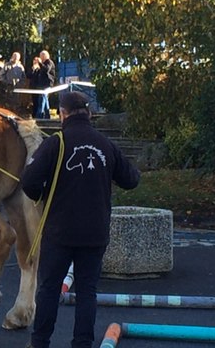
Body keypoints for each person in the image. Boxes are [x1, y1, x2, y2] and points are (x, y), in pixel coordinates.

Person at [21, 91, 140, 348]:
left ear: (62, 114)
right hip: (95, 233)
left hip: (59, 231)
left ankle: (40, 342)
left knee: (49, 289)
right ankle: (82, 343)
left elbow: (28, 180)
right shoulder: (105, 144)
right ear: (89, 113)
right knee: (87, 292)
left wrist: (40, 196)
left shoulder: (55, 143)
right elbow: (132, 179)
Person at [28, 50, 56, 119]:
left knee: (42, 100)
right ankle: (47, 116)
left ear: (44, 56)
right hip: (41, 85)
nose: (40, 57)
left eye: (41, 56)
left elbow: (46, 70)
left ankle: (39, 116)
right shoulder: (42, 64)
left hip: (47, 84)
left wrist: (40, 63)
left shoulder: (49, 62)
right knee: (45, 100)